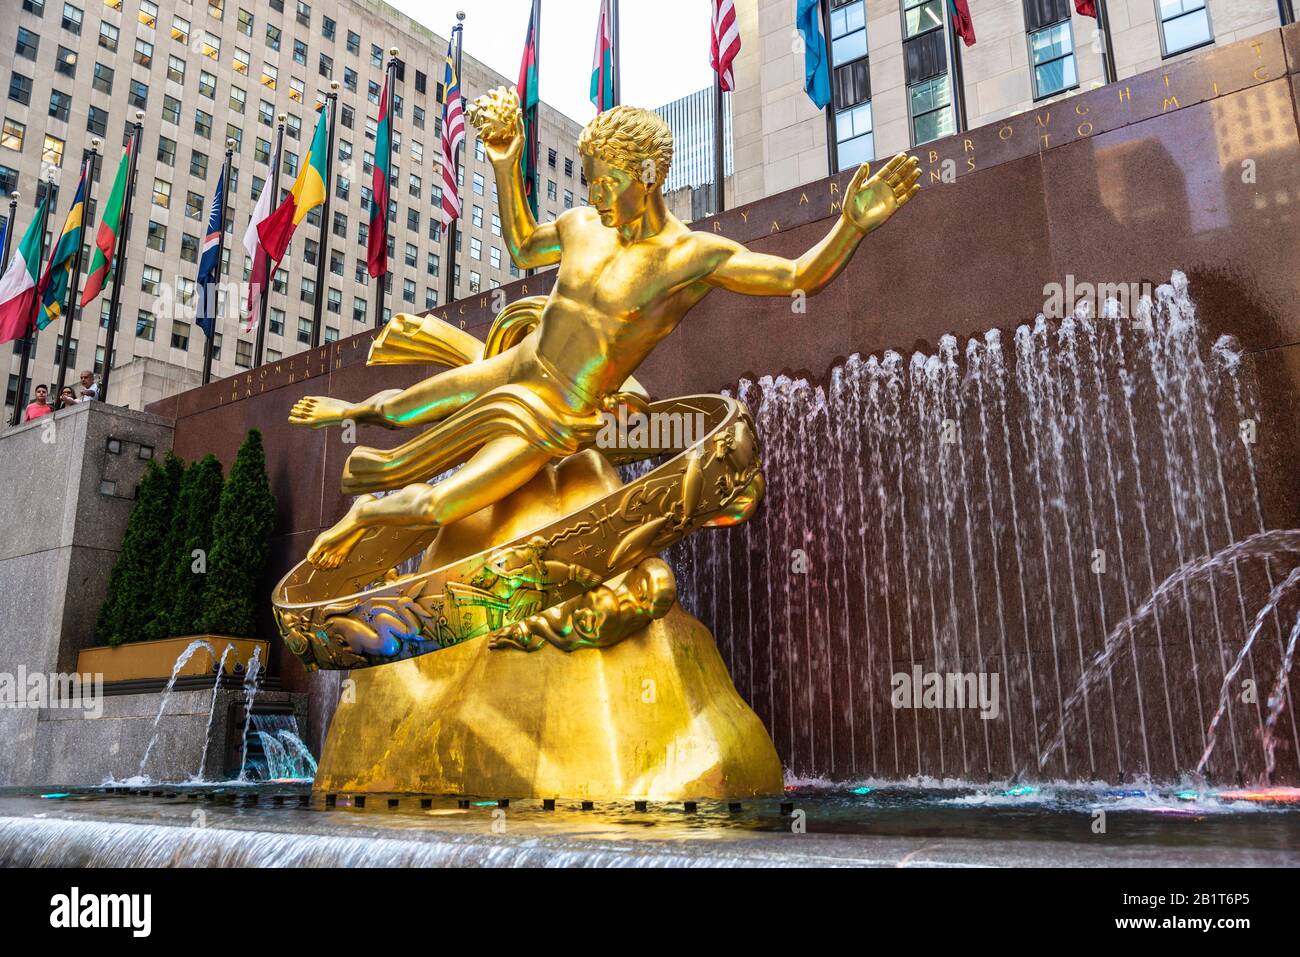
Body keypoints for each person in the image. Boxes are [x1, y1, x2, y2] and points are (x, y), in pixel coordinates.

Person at [290, 91, 921, 569]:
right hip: (519, 365)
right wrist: (507, 164)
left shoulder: (690, 258)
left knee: (438, 503)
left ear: (646, 173)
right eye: (588, 178)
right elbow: (520, 242)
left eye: (605, 180)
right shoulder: (581, 227)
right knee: (398, 407)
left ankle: (358, 519)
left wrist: (853, 227)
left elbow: (795, 278)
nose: (593, 193)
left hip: (557, 414)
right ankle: (346, 412)